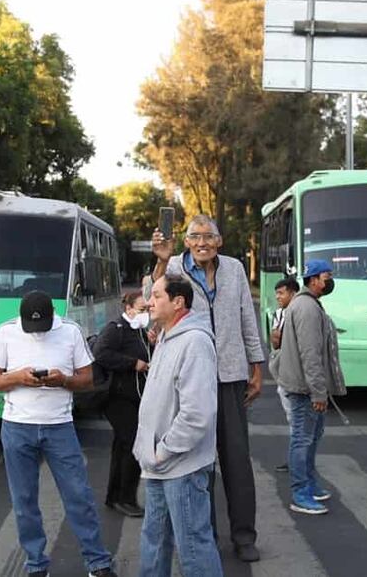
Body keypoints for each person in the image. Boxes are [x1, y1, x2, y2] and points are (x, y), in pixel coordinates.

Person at [149, 214, 264, 562]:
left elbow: (247, 316)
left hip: (230, 376)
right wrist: (160, 260)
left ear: (219, 241)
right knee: (197, 462)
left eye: (208, 236)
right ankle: (206, 535)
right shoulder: (173, 268)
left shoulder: (234, 269)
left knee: (236, 460)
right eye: (194, 236)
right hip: (189, 377)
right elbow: (151, 299)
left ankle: (244, 536)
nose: (201, 242)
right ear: (185, 241)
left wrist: (256, 366)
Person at [0, 291, 117, 577]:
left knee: (79, 496)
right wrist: (17, 377)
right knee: (24, 502)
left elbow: (89, 379)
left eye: (42, 326)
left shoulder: (70, 331)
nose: (37, 333)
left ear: (52, 317)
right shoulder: (6, 332)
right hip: (17, 426)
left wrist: (64, 380)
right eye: (31, 327)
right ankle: (35, 564)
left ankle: (98, 563)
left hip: (60, 426)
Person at [135, 275, 222, 577]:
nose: (149, 301)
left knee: (194, 546)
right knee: (154, 541)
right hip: (159, 463)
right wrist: (149, 451)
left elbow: (198, 414)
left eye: (157, 296)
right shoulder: (167, 336)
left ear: (178, 302)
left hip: (180, 466)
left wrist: (164, 451)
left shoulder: (194, 342)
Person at [269, 260, 346, 515]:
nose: (330, 281)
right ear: (313, 279)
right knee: (302, 440)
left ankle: (309, 486)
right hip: (303, 388)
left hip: (305, 386)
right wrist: (318, 392)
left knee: (309, 439)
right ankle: (301, 493)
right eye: (327, 276)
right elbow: (310, 354)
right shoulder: (307, 308)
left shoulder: (307, 304)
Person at [92, 291, 152, 518]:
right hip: (117, 398)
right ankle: (125, 498)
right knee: (132, 445)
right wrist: (131, 363)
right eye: (142, 309)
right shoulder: (116, 329)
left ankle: (115, 496)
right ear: (129, 309)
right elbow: (101, 353)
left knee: (122, 446)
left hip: (134, 396)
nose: (146, 313)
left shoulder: (139, 330)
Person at [271, 276, 300, 473]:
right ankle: (295, 459)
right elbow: (275, 342)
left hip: (295, 375)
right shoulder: (279, 314)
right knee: (293, 419)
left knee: (298, 422)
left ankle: (298, 462)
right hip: (283, 372)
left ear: (292, 292)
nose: (278, 297)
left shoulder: (300, 312)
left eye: (281, 293)